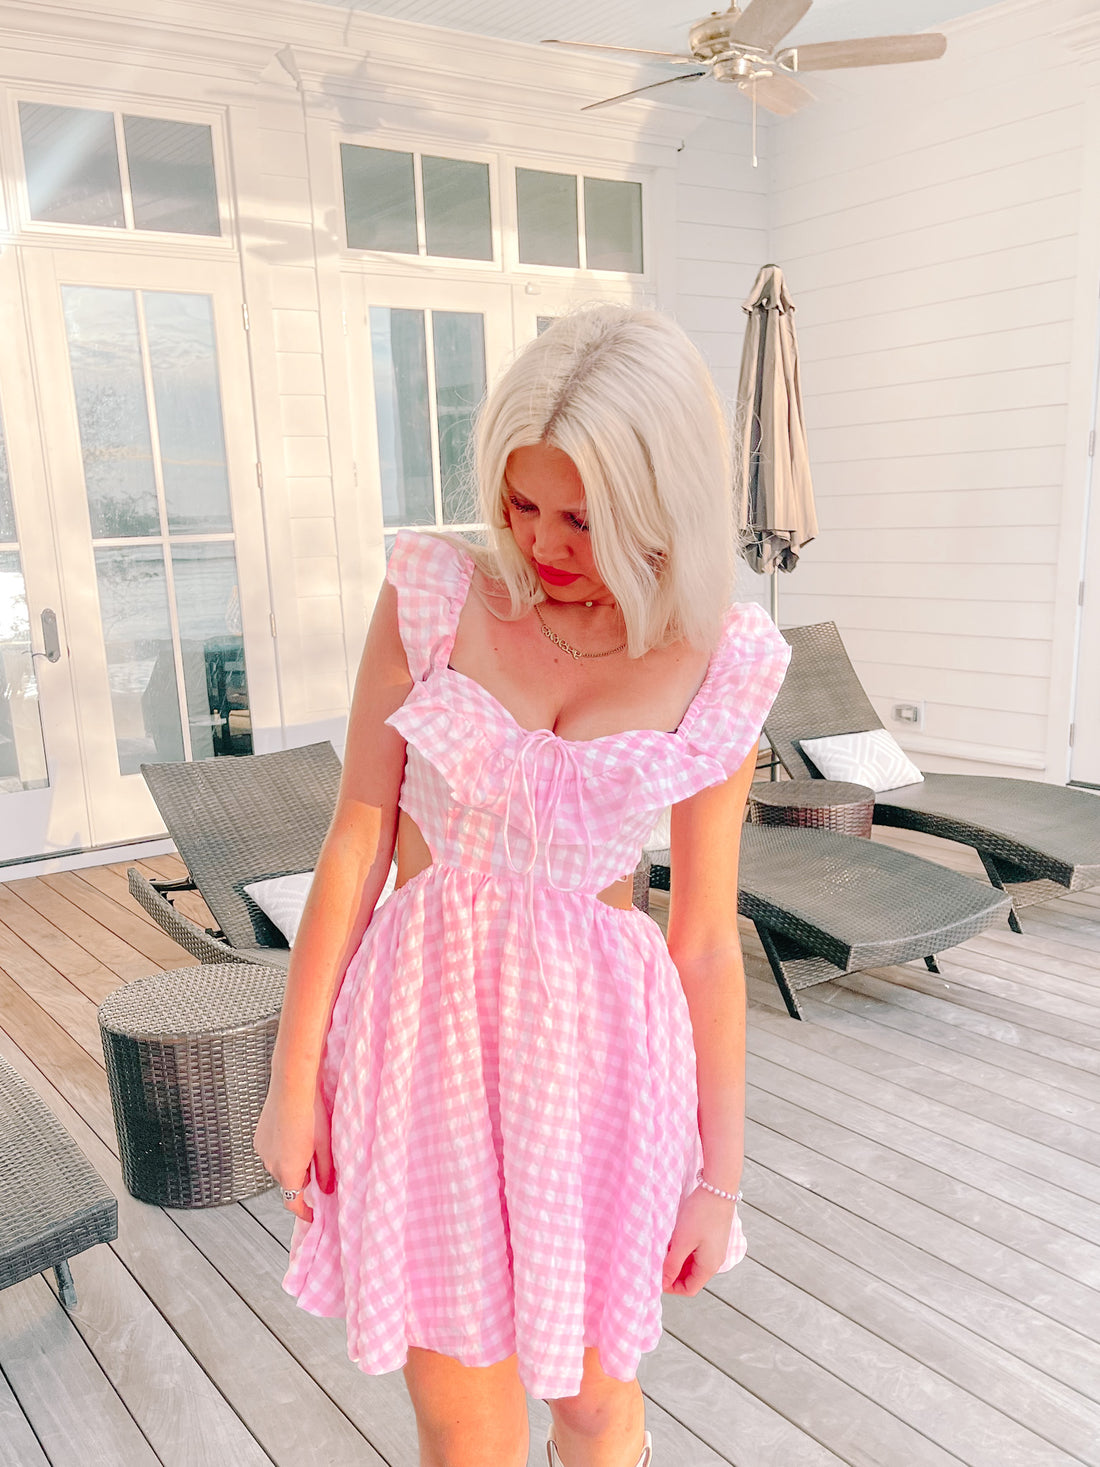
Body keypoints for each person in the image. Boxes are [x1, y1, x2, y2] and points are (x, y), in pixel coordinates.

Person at [253, 304, 791, 1467]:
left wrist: (719, 1179)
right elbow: (357, 838)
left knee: (595, 1406)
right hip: (421, 1046)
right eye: (520, 500)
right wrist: (293, 1081)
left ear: (659, 510)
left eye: (583, 518)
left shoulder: (718, 660)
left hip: (600, 1069)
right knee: (464, 1427)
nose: (540, 541)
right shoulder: (435, 596)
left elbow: (702, 939)